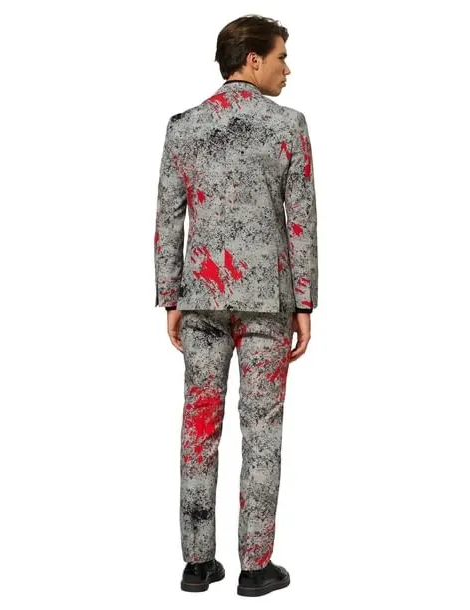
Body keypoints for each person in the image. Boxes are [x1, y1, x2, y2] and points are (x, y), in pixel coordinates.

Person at [153, 14, 318, 598]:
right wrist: (305, 302)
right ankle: (255, 566)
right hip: (267, 303)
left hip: (201, 298)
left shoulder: (184, 127)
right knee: (261, 429)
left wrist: (170, 296)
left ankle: (197, 564)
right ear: (253, 59)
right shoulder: (288, 126)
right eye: (280, 57)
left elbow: (168, 217)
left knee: (199, 425)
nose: (286, 69)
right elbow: (300, 220)